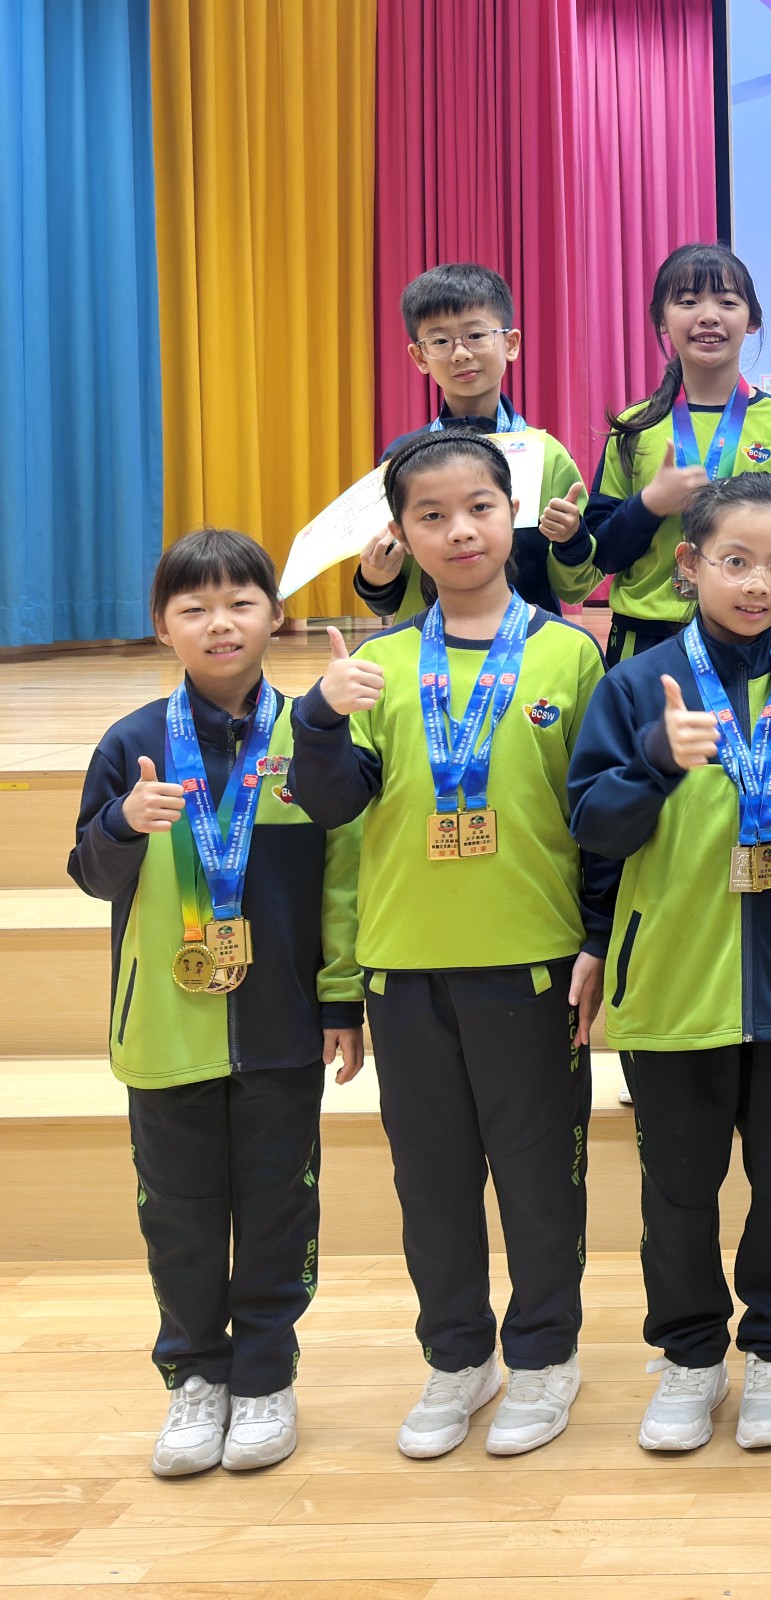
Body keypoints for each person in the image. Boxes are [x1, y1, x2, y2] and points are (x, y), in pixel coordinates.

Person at [287, 430, 608, 1461]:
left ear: (512, 514)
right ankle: (457, 1356)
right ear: (402, 535)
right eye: (432, 515)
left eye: (478, 507)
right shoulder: (377, 667)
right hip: (406, 969)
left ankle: (546, 1355)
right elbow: (332, 809)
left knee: (539, 1180)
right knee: (430, 1185)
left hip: (531, 965)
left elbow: (597, 818)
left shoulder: (569, 653)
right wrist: (321, 721)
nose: (459, 530)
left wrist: (598, 941)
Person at [566, 474, 771, 1455]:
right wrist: (654, 758)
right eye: (735, 561)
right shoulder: (634, 685)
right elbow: (593, 827)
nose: (756, 583)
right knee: (679, 1192)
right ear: (690, 565)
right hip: (671, 984)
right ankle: (690, 1356)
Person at [69, 531, 365, 1477]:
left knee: (278, 1210)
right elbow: (89, 873)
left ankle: (266, 1378)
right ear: (163, 628)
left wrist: (340, 999)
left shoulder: (308, 738)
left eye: (240, 602)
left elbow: (341, 877)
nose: (219, 623)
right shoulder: (132, 743)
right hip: (165, 1030)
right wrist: (123, 823)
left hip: (281, 1029)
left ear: (278, 615)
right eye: (193, 608)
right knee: (181, 1216)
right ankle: (195, 1378)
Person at [588, 244, 771, 663]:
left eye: (727, 302)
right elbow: (603, 554)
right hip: (647, 639)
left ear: (752, 320)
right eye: (688, 302)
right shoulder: (635, 426)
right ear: (661, 319)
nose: (708, 315)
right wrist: (649, 505)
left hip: (755, 638)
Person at [354, 262, 601, 622]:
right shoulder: (400, 458)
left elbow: (575, 588)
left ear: (510, 344)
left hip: (527, 643)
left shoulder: (547, 456)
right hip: (424, 644)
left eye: (475, 335)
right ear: (420, 357)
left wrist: (571, 540)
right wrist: (376, 578)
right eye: (440, 341)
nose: (460, 353)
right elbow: (388, 598)